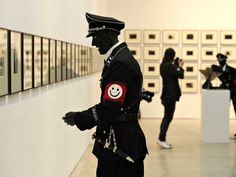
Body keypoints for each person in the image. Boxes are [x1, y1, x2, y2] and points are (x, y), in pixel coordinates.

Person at [62, 12, 148, 177]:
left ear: (108, 35)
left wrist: (79, 118)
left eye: (96, 37)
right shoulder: (119, 58)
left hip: (121, 146)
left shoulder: (121, 63)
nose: (94, 43)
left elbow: (110, 107)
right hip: (119, 141)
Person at [158, 48, 184, 149]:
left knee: (167, 116)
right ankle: (161, 138)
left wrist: (176, 65)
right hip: (170, 95)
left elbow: (172, 74)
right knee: (168, 117)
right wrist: (181, 66)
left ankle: (162, 138)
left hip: (166, 94)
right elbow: (180, 75)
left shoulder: (163, 65)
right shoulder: (169, 66)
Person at [216, 53, 236, 136]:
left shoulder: (233, 70)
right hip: (224, 92)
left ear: (225, 60)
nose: (220, 62)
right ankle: (222, 131)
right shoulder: (217, 71)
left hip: (234, 92)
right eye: (219, 60)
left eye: (221, 60)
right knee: (222, 111)